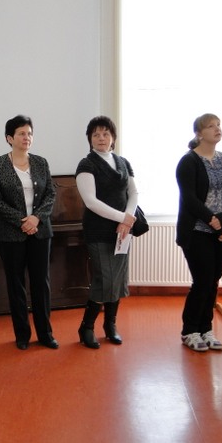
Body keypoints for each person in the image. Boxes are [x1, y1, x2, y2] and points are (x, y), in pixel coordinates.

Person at [0, 115, 58, 350]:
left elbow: (51, 194)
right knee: (16, 285)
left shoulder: (41, 163)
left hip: (40, 231)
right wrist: (22, 221)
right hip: (11, 234)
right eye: (21, 133)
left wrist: (36, 218)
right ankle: (22, 335)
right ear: (10, 138)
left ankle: (45, 333)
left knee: (41, 284)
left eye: (29, 133)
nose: (26, 137)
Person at [175, 114, 222, 352]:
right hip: (196, 231)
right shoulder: (188, 161)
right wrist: (214, 223)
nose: (217, 129)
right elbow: (190, 199)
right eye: (211, 126)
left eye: (218, 125)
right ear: (199, 134)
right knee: (202, 281)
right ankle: (189, 330)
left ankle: (206, 328)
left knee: (212, 282)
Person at [75, 116, 137, 348]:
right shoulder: (86, 164)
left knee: (118, 279)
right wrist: (123, 218)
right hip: (98, 230)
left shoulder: (123, 162)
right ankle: (87, 327)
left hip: (123, 231)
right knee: (105, 279)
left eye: (106, 134)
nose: (101, 138)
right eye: (96, 134)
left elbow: (133, 193)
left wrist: (127, 221)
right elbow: (91, 202)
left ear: (113, 137)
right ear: (90, 139)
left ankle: (110, 325)